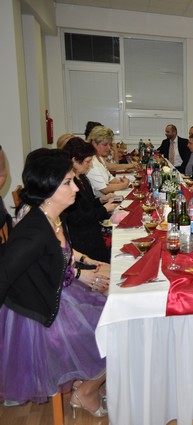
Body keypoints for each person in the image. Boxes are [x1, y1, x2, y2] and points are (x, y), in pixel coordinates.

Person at [0, 148, 108, 416]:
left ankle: (88, 381)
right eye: (68, 183)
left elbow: (59, 258)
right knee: (114, 329)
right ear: (48, 189)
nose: (76, 188)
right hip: (38, 315)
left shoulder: (51, 216)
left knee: (113, 311)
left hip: (56, 294)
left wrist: (86, 265)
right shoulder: (33, 233)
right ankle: (87, 390)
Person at [62, 138, 118, 263]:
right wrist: (104, 209)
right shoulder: (70, 184)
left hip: (92, 230)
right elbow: (78, 217)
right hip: (82, 239)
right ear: (74, 161)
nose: (90, 165)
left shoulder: (82, 178)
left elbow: (88, 204)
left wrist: (101, 200)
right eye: (87, 162)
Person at [85, 126, 130, 197]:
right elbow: (105, 189)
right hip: (100, 201)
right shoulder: (90, 162)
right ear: (94, 143)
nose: (109, 148)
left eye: (109, 144)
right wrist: (124, 184)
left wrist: (120, 182)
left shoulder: (99, 158)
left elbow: (110, 178)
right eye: (105, 145)